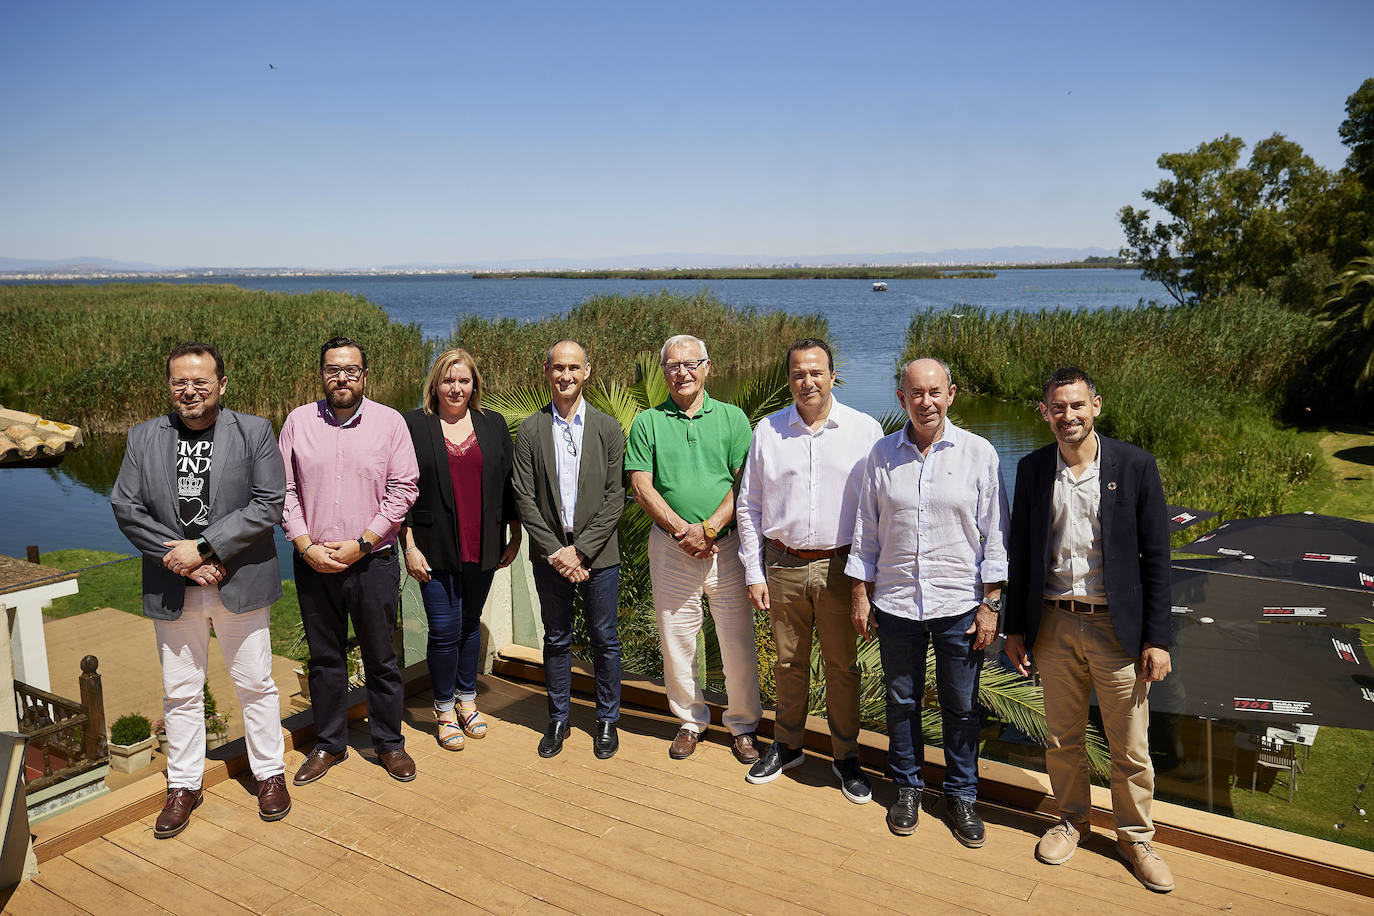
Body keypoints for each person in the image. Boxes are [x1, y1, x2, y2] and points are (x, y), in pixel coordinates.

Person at [1003, 366, 1175, 893]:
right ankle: (1071, 820)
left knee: (1129, 744)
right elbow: (1022, 553)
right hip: (1054, 622)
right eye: (1058, 407)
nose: (1068, 416)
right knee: (1061, 736)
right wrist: (1014, 628)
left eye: (1077, 406)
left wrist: (1157, 638)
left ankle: (1135, 837)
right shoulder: (1032, 470)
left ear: (1096, 406)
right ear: (1044, 412)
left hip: (1116, 629)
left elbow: (1158, 558)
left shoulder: (1135, 465)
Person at [112, 342, 290, 838]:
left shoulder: (254, 431)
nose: (189, 391)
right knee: (180, 691)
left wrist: (207, 548)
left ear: (222, 385)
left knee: (255, 682)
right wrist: (185, 563)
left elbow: (268, 503)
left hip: (240, 580)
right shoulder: (144, 436)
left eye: (201, 382)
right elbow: (126, 507)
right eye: (179, 382)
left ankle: (269, 773)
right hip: (175, 585)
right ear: (168, 385)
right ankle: (184, 785)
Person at [846, 358, 1008, 847]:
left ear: (951, 394)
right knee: (901, 702)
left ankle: (961, 795)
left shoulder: (980, 454)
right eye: (916, 393)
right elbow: (865, 531)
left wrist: (991, 604)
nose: (926, 402)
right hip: (896, 602)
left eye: (935, 392)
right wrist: (860, 591)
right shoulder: (881, 455)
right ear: (902, 399)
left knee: (961, 707)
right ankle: (908, 788)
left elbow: (995, 535)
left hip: (959, 603)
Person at [736, 338, 883, 802]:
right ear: (789, 379)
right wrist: (753, 571)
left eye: (816, 372)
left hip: (843, 567)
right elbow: (749, 505)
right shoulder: (768, 431)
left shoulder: (864, 430)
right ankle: (788, 745)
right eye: (799, 373)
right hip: (783, 564)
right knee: (787, 663)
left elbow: (879, 508)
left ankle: (846, 756)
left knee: (843, 668)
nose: (808, 381)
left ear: (832, 375)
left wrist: (869, 577)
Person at [280, 336, 419, 785]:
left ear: (365, 375)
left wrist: (363, 542)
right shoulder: (298, 422)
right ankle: (329, 744)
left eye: (351, 370)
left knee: (382, 658)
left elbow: (404, 490)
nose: (341, 378)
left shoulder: (390, 423)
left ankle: (388, 744)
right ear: (321, 374)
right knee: (324, 659)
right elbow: (285, 492)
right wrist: (304, 545)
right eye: (332, 370)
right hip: (313, 561)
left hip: (372, 561)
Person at [624, 334, 763, 762]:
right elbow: (640, 485)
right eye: (672, 365)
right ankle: (690, 719)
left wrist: (710, 527)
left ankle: (742, 726)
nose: (681, 372)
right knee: (676, 638)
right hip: (671, 549)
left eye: (690, 364)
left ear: (707, 368)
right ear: (663, 371)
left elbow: (744, 483)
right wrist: (683, 531)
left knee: (736, 639)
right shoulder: (648, 422)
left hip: (727, 546)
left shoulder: (733, 418)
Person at [400, 348, 521, 752]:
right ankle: (443, 709)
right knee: (444, 628)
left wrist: (515, 534)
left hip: (484, 541)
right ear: (435, 383)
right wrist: (409, 545)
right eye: (449, 380)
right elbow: (401, 491)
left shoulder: (493, 424)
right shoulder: (414, 425)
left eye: (464, 381)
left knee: (470, 623)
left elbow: (508, 484)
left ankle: (467, 699)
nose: (456, 388)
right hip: (433, 545)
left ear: (474, 385)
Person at [512, 339, 625, 758]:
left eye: (573, 368)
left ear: (587, 372)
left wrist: (580, 552)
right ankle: (558, 718)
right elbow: (523, 496)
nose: (565, 376)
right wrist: (558, 551)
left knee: (604, 638)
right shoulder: (530, 430)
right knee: (557, 637)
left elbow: (616, 497)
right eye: (558, 368)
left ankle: (607, 719)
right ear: (546, 371)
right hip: (550, 554)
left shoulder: (608, 428)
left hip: (599, 554)